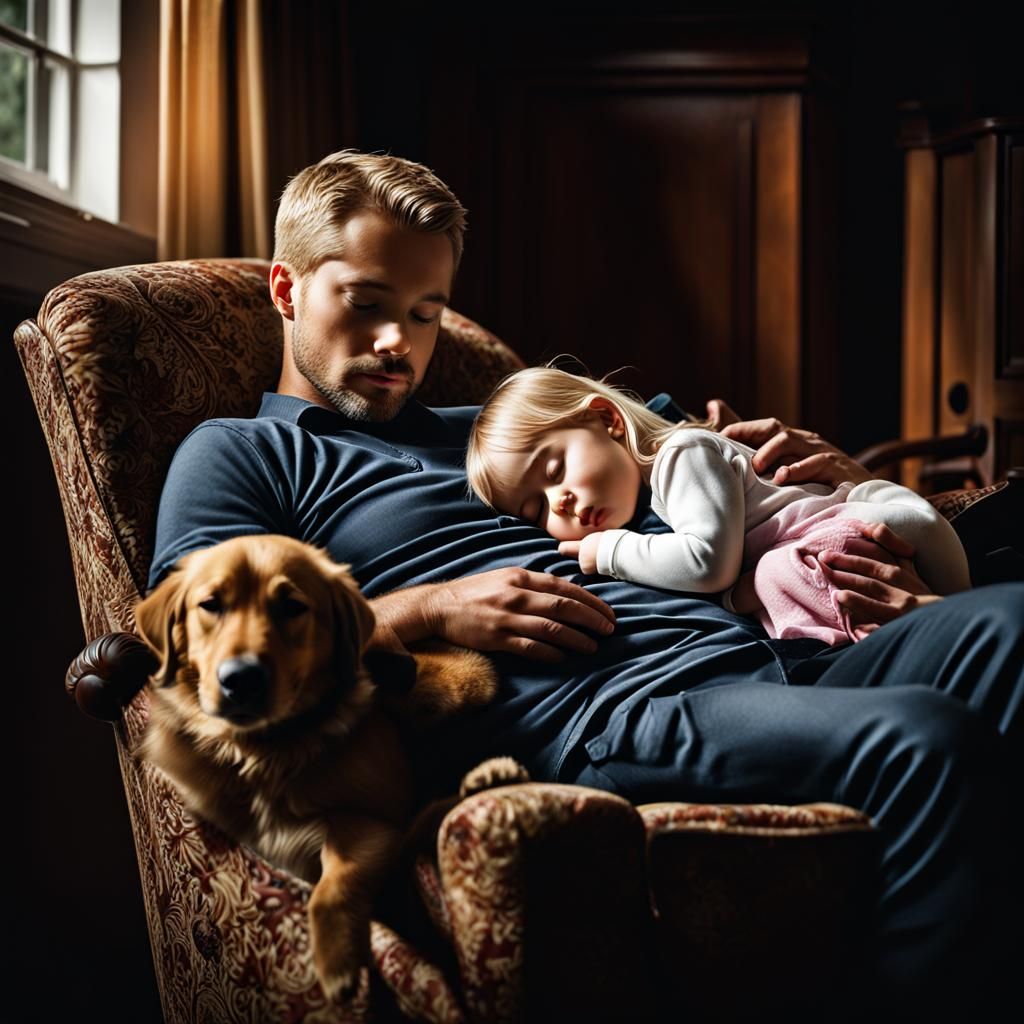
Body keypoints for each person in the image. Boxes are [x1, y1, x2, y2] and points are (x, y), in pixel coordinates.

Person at [149, 150, 1022, 1015]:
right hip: (609, 713)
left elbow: (688, 449)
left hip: (772, 642)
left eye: (425, 314)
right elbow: (198, 651)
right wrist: (433, 607)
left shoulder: (493, 426)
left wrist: (814, 472)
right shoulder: (245, 452)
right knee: (924, 741)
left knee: (1010, 627)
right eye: (367, 304)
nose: (398, 344)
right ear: (287, 288)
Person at [465, 365, 971, 646]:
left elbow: (709, 563)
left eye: (555, 472)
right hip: (836, 541)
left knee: (773, 573)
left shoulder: (682, 455)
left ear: (607, 420)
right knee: (772, 577)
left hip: (861, 522)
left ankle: (888, 642)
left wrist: (613, 550)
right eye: (538, 510)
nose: (562, 504)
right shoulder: (657, 497)